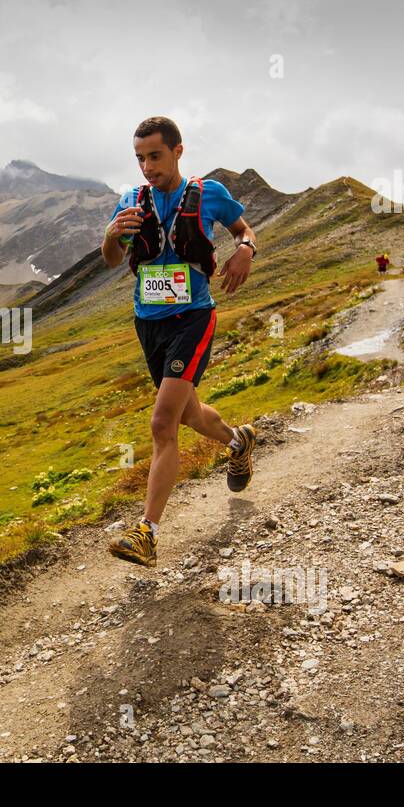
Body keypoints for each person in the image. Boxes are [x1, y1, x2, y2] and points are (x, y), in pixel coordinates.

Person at [99, 116, 258, 568]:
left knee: (162, 423)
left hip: (193, 318)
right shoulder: (130, 201)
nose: (147, 167)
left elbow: (244, 230)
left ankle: (146, 533)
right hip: (148, 323)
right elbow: (112, 261)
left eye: (155, 156)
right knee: (188, 413)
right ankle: (237, 442)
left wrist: (245, 249)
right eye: (140, 158)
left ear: (178, 151)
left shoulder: (209, 194)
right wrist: (111, 236)